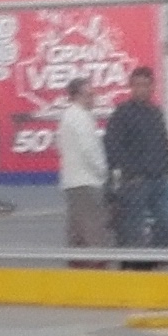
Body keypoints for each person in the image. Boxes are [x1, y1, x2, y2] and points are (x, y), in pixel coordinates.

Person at [101, 80, 168, 251]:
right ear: (131, 88)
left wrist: (166, 167)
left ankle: (153, 256)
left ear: (152, 88)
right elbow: (112, 145)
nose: (142, 89)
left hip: (159, 179)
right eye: (138, 85)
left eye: (146, 85)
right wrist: (129, 171)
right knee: (133, 230)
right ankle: (135, 266)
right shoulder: (123, 113)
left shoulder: (156, 113)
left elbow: (163, 143)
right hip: (136, 181)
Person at [52, 81, 111, 247]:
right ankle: (95, 267)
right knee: (94, 232)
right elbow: (89, 150)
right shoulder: (81, 118)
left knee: (77, 232)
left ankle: (77, 266)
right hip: (87, 182)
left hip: (73, 181)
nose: (93, 99)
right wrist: (103, 171)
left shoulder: (67, 117)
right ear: (77, 96)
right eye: (89, 95)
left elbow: (60, 146)